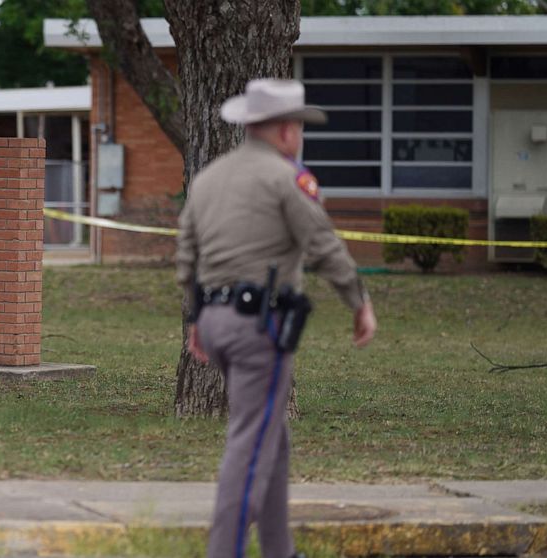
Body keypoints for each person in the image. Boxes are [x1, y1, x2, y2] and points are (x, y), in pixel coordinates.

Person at [175, 79, 377, 558]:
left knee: (271, 437)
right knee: (249, 446)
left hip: (217, 322)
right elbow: (322, 243)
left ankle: (279, 550)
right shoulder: (287, 178)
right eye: (300, 127)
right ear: (287, 130)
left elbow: (186, 258)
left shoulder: (208, 178)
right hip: (258, 327)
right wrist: (358, 300)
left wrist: (195, 319)